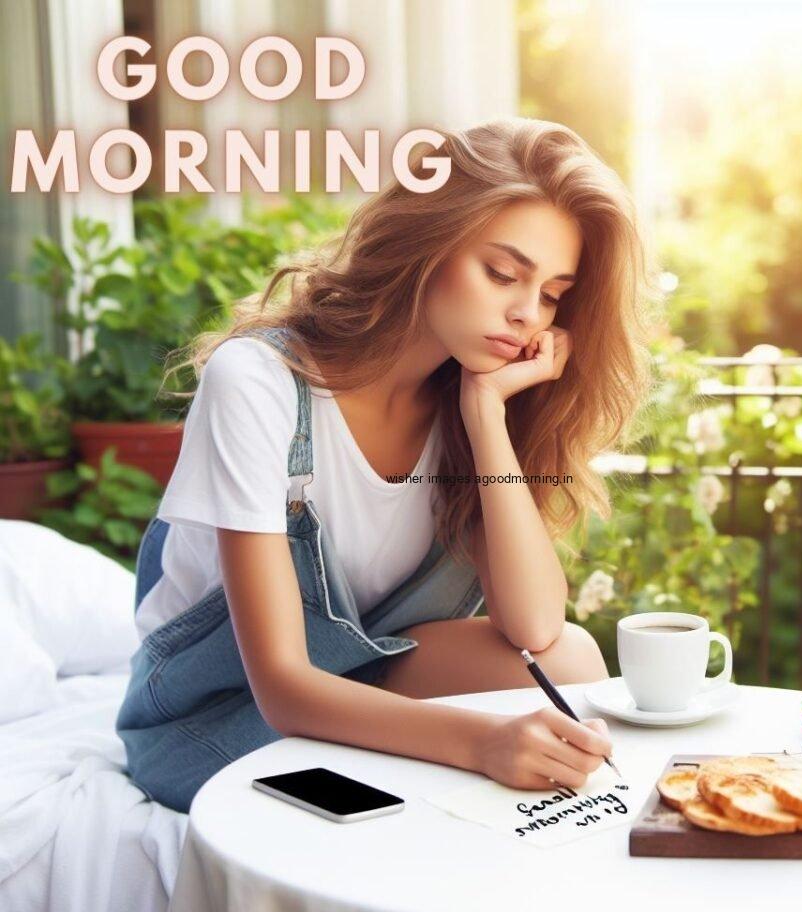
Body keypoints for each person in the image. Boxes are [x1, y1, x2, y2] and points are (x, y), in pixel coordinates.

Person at [115, 117, 653, 814]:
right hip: (216, 715)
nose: (526, 313)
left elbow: (534, 628)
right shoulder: (259, 382)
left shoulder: (466, 399)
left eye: (551, 294)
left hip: (362, 679)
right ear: (428, 243)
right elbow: (281, 685)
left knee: (571, 660)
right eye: (502, 273)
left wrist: (485, 416)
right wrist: (481, 742)